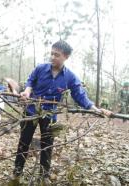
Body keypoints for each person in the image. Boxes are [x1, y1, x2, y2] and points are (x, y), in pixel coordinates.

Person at [13, 40, 112, 183]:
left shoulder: (70, 77)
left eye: (57, 55)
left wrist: (96, 110)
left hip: (50, 115)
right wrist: (27, 91)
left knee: (47, 145)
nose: (52, 57)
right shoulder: (41, 68)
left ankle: (44, 176)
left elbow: (80, 95)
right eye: (51, 54)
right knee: (24, 141)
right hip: (31, 110)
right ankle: (17, 172)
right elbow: (30, 81)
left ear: (65, 57)